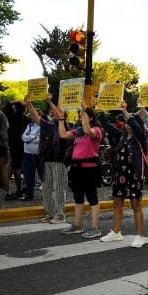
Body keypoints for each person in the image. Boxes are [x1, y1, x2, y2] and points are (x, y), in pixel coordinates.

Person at [97, 100, 148, 248]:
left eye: (129, 122)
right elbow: (107, 126)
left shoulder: (140, 137)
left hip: (134, 175)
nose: (127, 124)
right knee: (117, 202)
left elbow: (137, 127)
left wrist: (126, 111)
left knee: (135, 204)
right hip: (120, 175)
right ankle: (116, 232)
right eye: (125, 122)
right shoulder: (122, 136)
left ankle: (139, 235)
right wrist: (100, 112)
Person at [58, 102, 103, 239]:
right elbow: (63, 135)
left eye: (83, 115)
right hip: (76, 168)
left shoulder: (96, 130)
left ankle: (95, 227)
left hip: (89, 169)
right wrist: (61, 119)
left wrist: (84, 109)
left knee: (92, 197)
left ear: (90, 118)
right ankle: (77, 225)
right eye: (79, 115)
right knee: (78, 197)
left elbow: (89, 131)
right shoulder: (78, 132)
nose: (80, 117)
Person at [24, 94, 69, 224]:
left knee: (59, 189)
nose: (52, 114)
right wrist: (28, 104)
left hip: (59, 162)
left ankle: (60, 215)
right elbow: (36, 117)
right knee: (47, 188)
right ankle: (50, 213)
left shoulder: (64, 126)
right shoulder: (49, 126)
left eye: (55, 112)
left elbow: (58, 115)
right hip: (47, 161)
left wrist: (50, 102)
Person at [20, 110, 43, 201]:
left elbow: (39, 140)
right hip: (27, 153)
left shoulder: (43, 126)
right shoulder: (29, 125)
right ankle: (29, 195)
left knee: (42, 174)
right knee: (28, 174)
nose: (32, 117)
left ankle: (49, 194)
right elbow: (23, 137)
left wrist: (28, 138)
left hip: (38, 153)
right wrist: (33, 137)